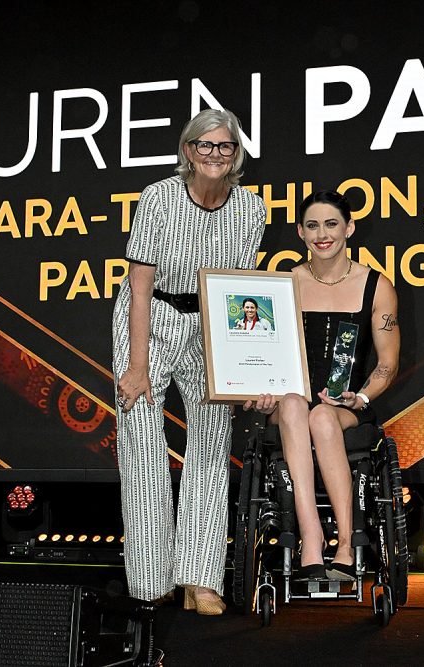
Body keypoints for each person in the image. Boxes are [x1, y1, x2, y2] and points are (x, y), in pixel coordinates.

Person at [112, 108, 266, 614]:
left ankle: (200, 578)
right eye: (205, 145)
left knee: (212, 439)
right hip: (150, 317)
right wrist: (137, 366)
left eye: (225, 146)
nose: (215, 154)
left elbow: (242, 294)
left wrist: (244, 369)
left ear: (236, 153)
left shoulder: (251, 208)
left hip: (210, 325)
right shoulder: (158, 197)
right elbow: (139, 286)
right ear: (188, 151)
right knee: (142, 442)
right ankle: (152, 579)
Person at [247, 190, 400, 580]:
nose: (322, 234)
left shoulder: (376, 286)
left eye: (331, 223)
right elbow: (260, 351)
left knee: (321, 416)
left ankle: (348, 541)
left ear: (348, 227)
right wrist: (259, 392)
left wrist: (362, 395)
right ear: (300, 232)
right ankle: (311, 535)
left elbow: (387, 364)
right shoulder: (284, 284)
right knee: (300, 407)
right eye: (312, 225)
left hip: (346, 406)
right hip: (290, 401)